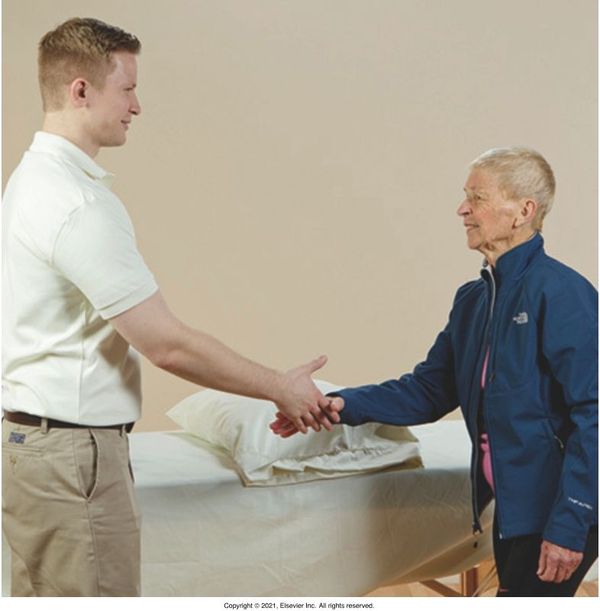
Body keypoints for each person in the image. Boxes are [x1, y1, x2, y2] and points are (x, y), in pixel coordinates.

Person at [2, 17, 339, 597]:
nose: (138, 105)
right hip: (72, 457)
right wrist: (279, 387)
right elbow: (166, 343)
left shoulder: (30, 181)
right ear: (80, 90)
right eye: (127, 88)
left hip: (33, 446)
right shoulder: (75, 203)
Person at [271, 147, 598, 596]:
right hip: (516, 505)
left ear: (525, 211)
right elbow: (428, 390)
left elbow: (594, 413)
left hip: (560, 505)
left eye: (477, 198)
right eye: (466, 197)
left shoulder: (563, 294)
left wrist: (570, 522)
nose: (462, 209)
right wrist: (338, 404)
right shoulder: (474, 300)